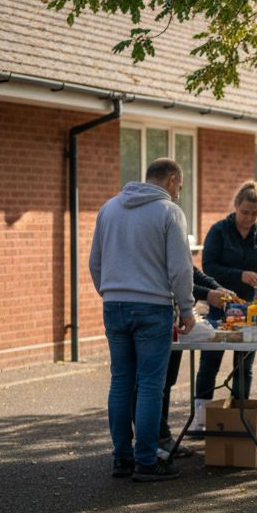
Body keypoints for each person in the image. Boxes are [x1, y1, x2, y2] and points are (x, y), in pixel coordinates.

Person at [89, 157, 196, 482]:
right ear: (172, 178)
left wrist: (110, 293)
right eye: (180, 184)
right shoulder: (169, 212)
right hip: (152, 308)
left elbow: (95, 262)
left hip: (115, 303)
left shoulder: (109, 208)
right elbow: (180, 268)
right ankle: (147, 461)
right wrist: (187, 308)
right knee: (150, 384)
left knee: (121, 381)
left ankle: (122, 458)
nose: (179, 191)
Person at [195, 180, 257, 411]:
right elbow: (208, 266)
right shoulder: (219, 231)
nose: (249, 217)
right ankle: (200, 418)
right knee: (210, 363)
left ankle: (240, 413)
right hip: (220, 305)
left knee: (244, 365)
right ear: (235, 206)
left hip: (251, 309)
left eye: (255, 213)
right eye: (244, 212)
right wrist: (239, 275)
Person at [158, 268, 234, 458]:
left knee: (166, 382)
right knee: (152, 384)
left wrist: (217, 288)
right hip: (158, 312)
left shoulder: (177, 240)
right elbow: (175, 277)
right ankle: (150, 444)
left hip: (171, 315)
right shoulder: (166, 237)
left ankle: (161, 439)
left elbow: (189, 271)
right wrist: (208, 294)